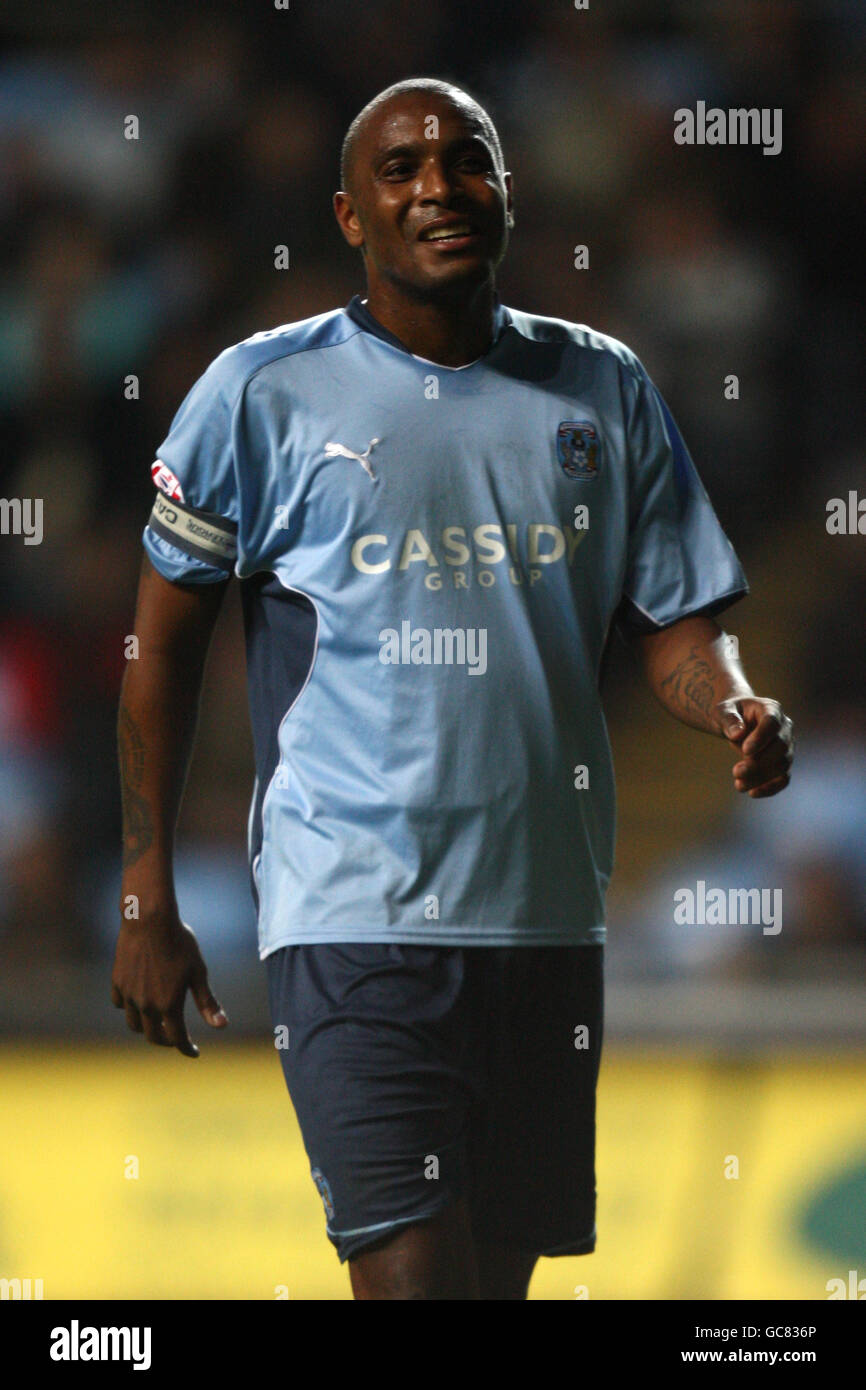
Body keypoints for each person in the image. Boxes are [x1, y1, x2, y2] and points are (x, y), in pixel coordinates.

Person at [112, 78, 794, 1300]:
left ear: (505, 193)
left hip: (541, 927)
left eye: (465, 159)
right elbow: (156, 650)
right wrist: (144, 895)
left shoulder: (602, 388)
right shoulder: (261, 395)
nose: (437, 185)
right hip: (355, 919)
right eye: (400, 167)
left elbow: (677, 628)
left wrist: (730, 704)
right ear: (347, 215)